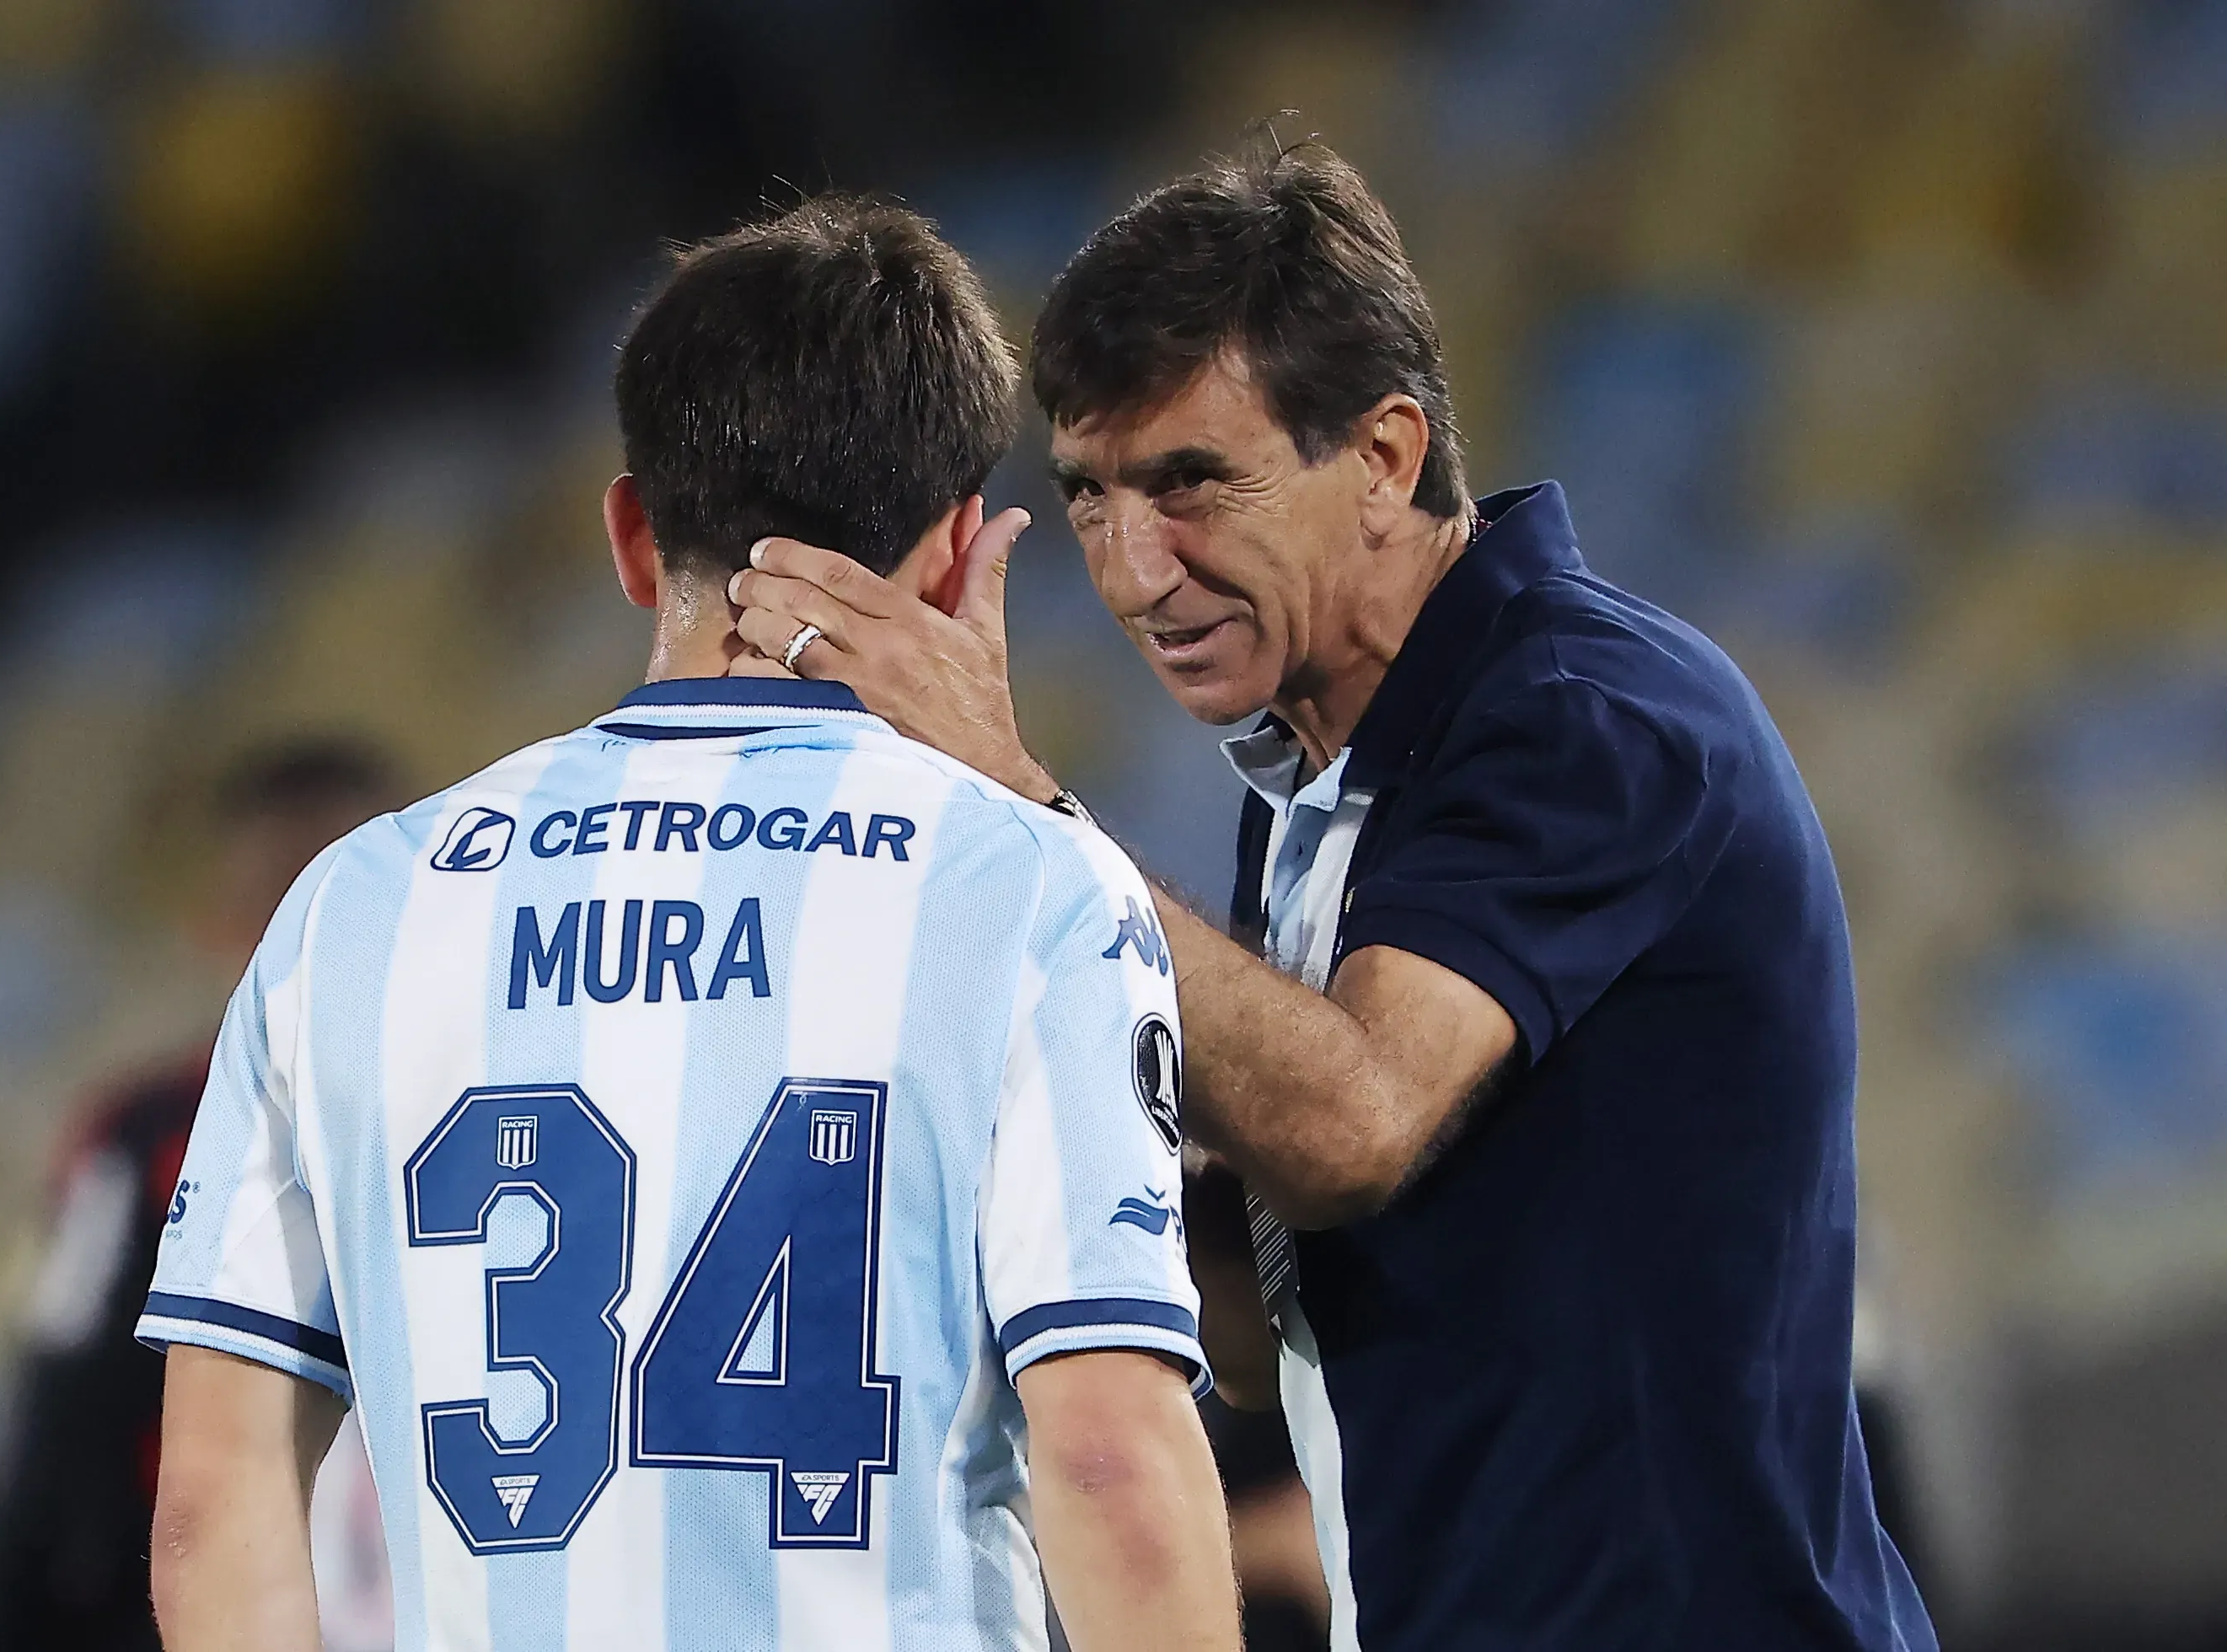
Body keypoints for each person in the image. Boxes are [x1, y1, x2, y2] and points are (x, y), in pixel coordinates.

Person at [728, 137, 1938, 1652]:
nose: (1135, 573)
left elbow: (1353, 1121)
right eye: (1091, 499)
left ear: (1383, 455)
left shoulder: (1585, 713)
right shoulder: (1323, 793)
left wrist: (1014, 809)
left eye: (1193, 487)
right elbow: (1256, 1344)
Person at [137, 196, 1239, 1652]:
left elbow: (212, 1509)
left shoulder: (362, 905)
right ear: (960, 547)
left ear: (630, 534)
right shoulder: (1023, 889)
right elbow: (1108, 1463)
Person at [0, 740, 401, 1652]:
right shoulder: (146, 1134)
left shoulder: (509, 1103)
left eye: (350, 894)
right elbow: (62, 1403)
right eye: (285, 896)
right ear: (222, 918)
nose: (318, 932)